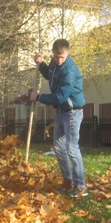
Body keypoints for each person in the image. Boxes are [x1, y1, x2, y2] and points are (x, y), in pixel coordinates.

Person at [30, 38, 87, 197]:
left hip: (72, 112)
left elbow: (60, 97)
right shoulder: (55, 63)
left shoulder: (69, 71)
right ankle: (68, 182)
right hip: (61, 112)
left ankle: (81, 186)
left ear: (67, 53)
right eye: (56, 57)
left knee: (71, 148)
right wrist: (42, 65)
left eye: (61, 57)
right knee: (59, 148)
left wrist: (39, 97)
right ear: (53, 53)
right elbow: (51, 75)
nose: (58, 60)